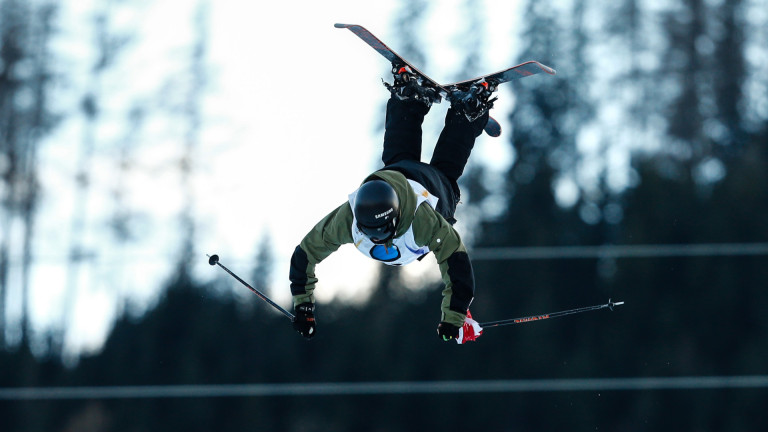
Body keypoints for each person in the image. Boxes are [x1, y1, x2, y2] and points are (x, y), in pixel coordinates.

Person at [289, 63, 497, 342]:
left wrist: (454, 318)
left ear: (395, 218)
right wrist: (303, 306)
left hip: (430, 191)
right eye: (370, 232)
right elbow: (305, 254)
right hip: (398, 175)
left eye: (382, 231)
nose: (377, 238)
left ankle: (463, 113)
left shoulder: (423, 222)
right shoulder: (350, 218)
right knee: (398, 161)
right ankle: (412, 99)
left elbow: (455, 262)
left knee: (445, 176)